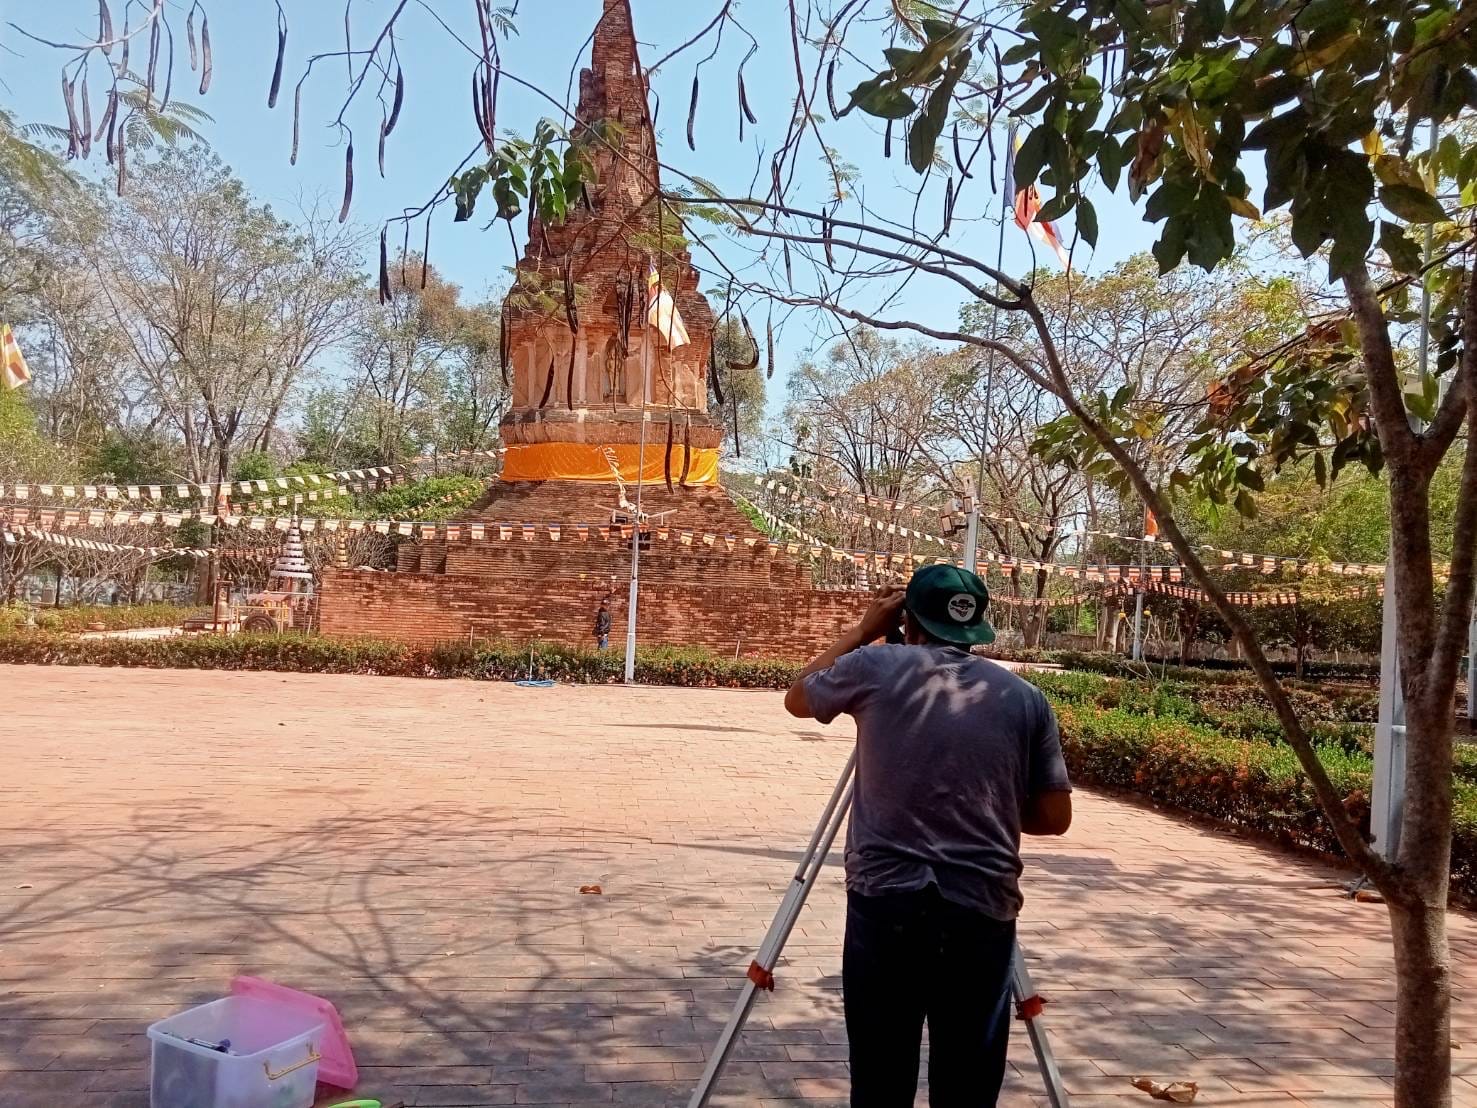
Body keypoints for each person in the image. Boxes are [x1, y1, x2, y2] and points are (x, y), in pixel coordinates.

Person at [784, 564, 1072, 1108]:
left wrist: (862, 630)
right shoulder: (1027, 698)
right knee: (968, 1082)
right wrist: (983, 801)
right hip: (981, 906)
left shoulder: (874, 664)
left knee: (880, 1074)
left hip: (885, 899)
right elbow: (1055, 817)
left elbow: (800, 698)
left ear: (907, 619)